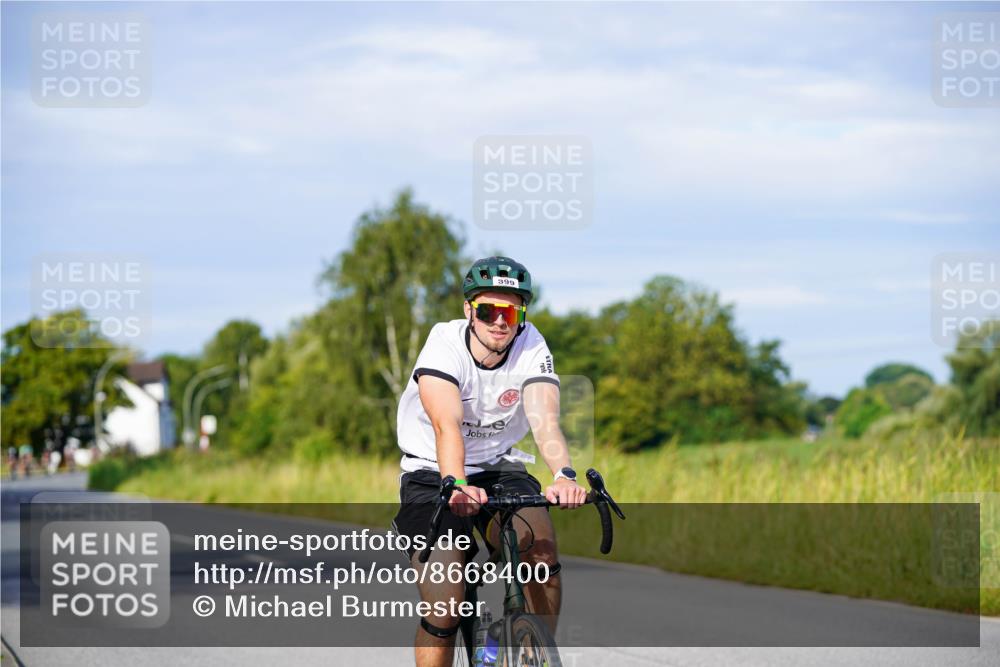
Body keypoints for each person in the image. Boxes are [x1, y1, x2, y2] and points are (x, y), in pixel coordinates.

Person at [392, 256, 586, 667]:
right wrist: (457, 483)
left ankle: (531, 651)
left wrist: (564, 474)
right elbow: (447, 425)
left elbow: (545, 422)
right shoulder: (444, 344)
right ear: (469, 311)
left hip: (500, 466)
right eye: (488, 311)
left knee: (541, 555)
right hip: (433, 471)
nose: (500, 321)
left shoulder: (530, 343)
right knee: (444, 605)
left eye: (511, 312)